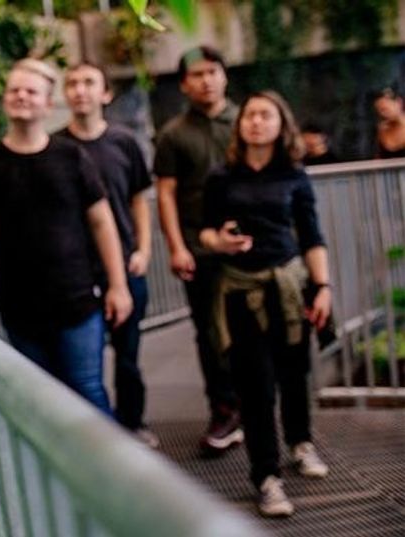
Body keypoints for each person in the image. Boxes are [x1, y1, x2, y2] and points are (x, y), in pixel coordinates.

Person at [0, 58, 133, 416]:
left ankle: (108, 469)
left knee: (87, 390)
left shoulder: (72, 157)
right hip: (19, 308)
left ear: (47, 102)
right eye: (14, 90)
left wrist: (118, 285)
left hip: (78, 303)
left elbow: (103, 223)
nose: (21, 96)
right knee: (40, 402)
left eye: (30, 91)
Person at [200, 90, 331, 518]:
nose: (256, 121)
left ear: (281, 125)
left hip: (289, 287)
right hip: (240, 291)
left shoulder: (294, 174)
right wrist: (218, 241)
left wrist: (323, 286)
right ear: (240, 125)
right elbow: (204, 232)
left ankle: (300, 441)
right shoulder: (222, 176)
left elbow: (311, 236)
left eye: (265, 115)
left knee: (295, 372)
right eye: (250, 115)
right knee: (254, 386)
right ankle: (266, 477)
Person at [55, 62, 157, 446]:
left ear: (105, 94)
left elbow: (138, 201)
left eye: (88, 82)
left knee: (128, 355)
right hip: (77, 274)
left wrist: (143, 250)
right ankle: (96, 438)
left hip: (126, 266)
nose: (80, 90)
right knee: (84, 363)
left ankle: (133, 424)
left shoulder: (124, 142)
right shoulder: (55, 147)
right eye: (73, 84)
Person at [154, 46, 242, 455]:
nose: (206, 80)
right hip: (197, 249)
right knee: (209, 333)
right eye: (197, 74)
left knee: (254, 330)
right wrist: (176, 246)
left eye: (213, 71)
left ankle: (259, 411)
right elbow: (166, 195)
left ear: (224, 75)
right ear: (185, 84)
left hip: (247, 246)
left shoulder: (248, 121)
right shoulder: (173, 134)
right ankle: (224, 412)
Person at [373, 87, 405, 158]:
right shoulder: (383, 130)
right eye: (380, 110)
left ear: (399, 102)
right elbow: (379, 159)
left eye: (385, 109)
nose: (383, 114)